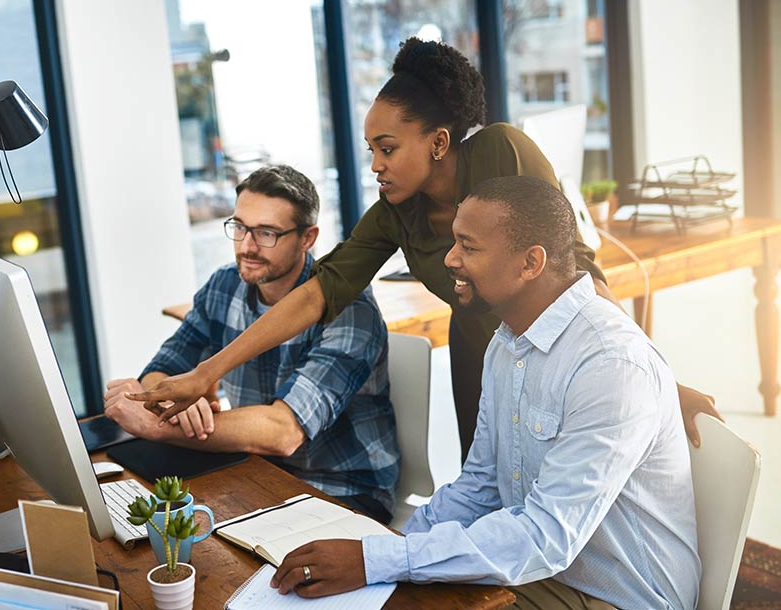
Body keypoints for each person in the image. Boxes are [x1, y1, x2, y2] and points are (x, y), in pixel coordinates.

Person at [127, 37, 719, 460]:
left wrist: (657, 378)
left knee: (570, 493)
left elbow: (579, 275)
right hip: (482, 353)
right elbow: (314, 296)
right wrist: (206, 372)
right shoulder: (393, 213)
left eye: (388, 148)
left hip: (560, 347)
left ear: (438, 142)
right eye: (371, 151)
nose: (377, 165)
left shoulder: (499, 154)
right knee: (489, 491)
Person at [270, 176, 700, 609]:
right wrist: (389, 548)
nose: (451, 260)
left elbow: (546, 536)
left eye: (469, 247)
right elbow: (481, 486)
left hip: (619, 595)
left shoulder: (611, 365)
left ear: (530, 263)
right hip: (541, 572)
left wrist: (380, 560)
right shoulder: (508, 342)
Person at [104, 165, 399, 524]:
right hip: (250, 470)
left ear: (308, 238)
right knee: (144, 529)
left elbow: (282, 432)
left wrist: (158, 425)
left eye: (267, 233)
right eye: (240, 227)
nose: (247, 246)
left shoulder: (349, 309)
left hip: (340, 491)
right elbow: (164, 366)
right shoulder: (224, 285)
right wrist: (168, 401)